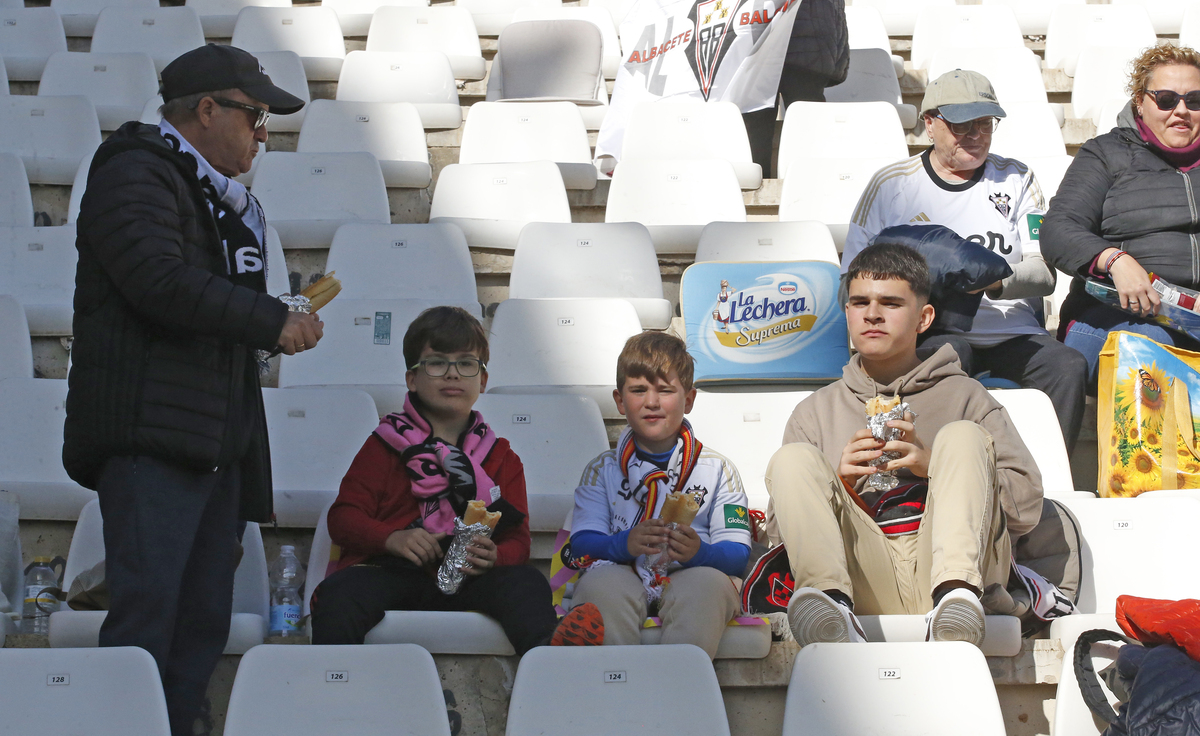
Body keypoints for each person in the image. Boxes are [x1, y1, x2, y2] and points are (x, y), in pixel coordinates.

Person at [64, 44, 323, 736]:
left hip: (214, 439)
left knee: (200, 627)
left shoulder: (217, 196)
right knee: (147, 622)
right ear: (207, 111)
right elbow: (159, 281)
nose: (263, 135)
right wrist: (271, 317)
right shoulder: (135, 174)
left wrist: (273, 313)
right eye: (255, 115)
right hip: (155, 439)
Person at [765, 243, 1043, 648]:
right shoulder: (814, 411)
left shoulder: (966, 395)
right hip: (861, 574)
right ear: (847, 314)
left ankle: (955, 599)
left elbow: (1027, 507)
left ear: (924, 317)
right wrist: (837, 482)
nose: (872, 314)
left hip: (954, 567)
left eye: (891, 303)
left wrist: (933, 467)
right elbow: (778, 534)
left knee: (961, 436)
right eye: (859, 302)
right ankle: (831, 607)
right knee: (793, 460)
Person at [309, 306, 600, 651]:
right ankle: (334, 688)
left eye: (466, 363)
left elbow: (518, 541)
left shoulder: (502, 457)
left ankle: (554, 661)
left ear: (483, 380)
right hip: (392, 572)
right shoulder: (384, 444)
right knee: (340, 595)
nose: (452, 374)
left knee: (527, 583)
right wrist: (392, 539)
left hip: (470, 579)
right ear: (412, 378)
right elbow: (343, 519)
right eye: (436, 362)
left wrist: (495, 557)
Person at [842, 69, 1088, 455]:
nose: (975, 134)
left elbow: (1043, 275)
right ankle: (931, 474)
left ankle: (1048, 480)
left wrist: (990, 282)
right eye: (961, 124)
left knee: (1068, 366)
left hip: (1012, 332)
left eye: (985, 123)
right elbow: (852, 280)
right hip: (928, 331)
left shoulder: (1016, 178)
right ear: (930, 124)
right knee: (950, 355)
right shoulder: (892, 185)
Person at [566, 331, 752, 659]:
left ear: (689, 399)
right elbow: (581, 545)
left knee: (708, 587)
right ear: (620, 400)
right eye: (638, 390)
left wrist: (700, 553)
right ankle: (614, 691)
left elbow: (737, 554)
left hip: (691, 574)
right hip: (620, 572)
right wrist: (623, 544)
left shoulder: (718, 469)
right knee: (600, 588)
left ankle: (677, 695)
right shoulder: (601, 470)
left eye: (665, 391)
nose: (651, 402)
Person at [644, 0, 870, 177]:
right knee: (753, 133)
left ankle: (814, 192)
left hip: (804, 38)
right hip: (756, 43)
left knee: (807, 129)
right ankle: (758, 205)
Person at [1042, 43, 1200, 384]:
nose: (1182, 111)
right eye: (1167, 99)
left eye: (1195, 100)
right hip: (1120, 315)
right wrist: (1114, 259)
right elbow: (1057, 229)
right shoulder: (1106, 154)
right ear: (1140, 103)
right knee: (1155, 359)